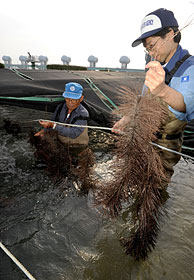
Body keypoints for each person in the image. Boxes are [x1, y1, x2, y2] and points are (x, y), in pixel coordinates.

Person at [112, 8, 194, 179]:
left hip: (166, 145)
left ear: (171, 34)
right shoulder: (155, 66)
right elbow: (144, 99)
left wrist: (163, 90)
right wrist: (127, 119)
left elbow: (186, 106)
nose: (150, 52)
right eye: (146, 48)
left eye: (152, 45)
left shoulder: (190, 68)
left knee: (156, 187)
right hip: (145, 137)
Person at [35, 82, 89, 146]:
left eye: (74, 99)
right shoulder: (60, 107)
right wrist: (44, 131)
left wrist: (53, 125)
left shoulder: (83, 113)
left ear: (81, 98)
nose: (70, 102)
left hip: (77, 146)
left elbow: (74, 133)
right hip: (61, 143)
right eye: (68, 98)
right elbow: (52, 122)